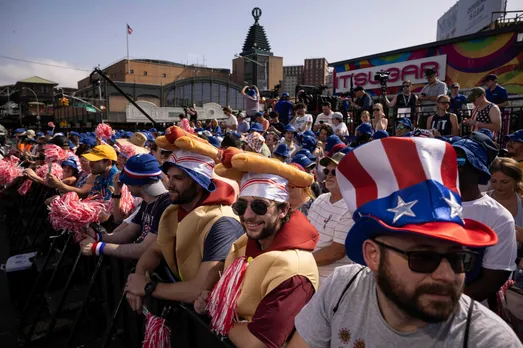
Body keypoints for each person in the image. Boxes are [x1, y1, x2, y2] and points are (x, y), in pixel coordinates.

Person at [290, 137, 521, 348]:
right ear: (373, 255)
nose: (447, 275)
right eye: (422, 258)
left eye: (459, 259)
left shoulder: (489, 341)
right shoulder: (342, 289)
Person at [194, 153, 319, 348]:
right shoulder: (245, 243)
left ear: (284, 210)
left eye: (260, 206)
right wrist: (211, 298)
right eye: (241, 206)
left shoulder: (295, 268)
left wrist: (218, 313)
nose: (248, 215)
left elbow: (257, 342)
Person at [124, 148, 244, 311]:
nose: (170, 184)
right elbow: (154, 251)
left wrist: (148, 287)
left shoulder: (223, 222)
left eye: (178, 178)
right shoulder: (175, 210)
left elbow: (198, 289)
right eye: (170, 177)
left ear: (199, 183)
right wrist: (139, 276)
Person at [452, 133, 517, 310]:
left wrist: (443, 304)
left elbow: (492, 280)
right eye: (448, 159)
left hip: (467, 314)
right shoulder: (430, 203)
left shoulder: (499, 218)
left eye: (460, 162)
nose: (451, 166)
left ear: (478, 170)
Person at [80, 154, 170, 260]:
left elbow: (143, 249)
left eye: (127, 181)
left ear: (138, 184)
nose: (126, 185)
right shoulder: (148, 201)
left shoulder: (166, 205)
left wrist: (97, 247)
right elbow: (127, 233)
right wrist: (97, 237)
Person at [308, 152, 353, 284]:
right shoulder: (321, 199)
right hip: (309, 274)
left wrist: (301, 262)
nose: (328, 175)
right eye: (327, 171)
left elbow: (336, 252)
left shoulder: (350, 209)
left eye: (335, 172)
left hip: (329, 284)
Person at [489, 157, 523, 244]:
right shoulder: (480, 199)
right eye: (493, 181)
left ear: (516, 181)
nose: (498, 186)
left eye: (504, 182)